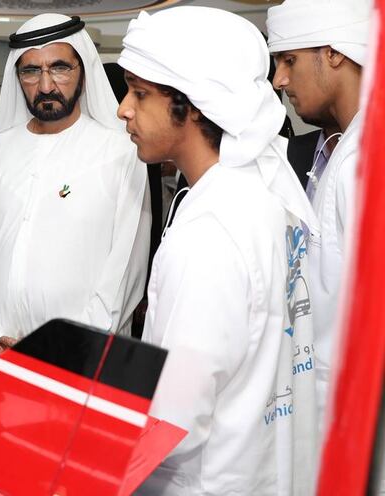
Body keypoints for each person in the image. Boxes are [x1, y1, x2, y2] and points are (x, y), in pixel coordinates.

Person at [118, 6, 319, 494]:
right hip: (262, 463)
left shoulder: (210, 233)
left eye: (140, 94)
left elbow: (173, 420)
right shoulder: (264, 189)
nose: (123, 108)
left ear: (195, 105)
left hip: (207, 478)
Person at [0, 14, 150, 361]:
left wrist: (64, 348)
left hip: (84, 357)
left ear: (83, 71)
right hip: (2, 353)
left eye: (60, 68)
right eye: (31, 71)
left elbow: (125, 271)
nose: (46, 85)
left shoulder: (121, 152)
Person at [267, 0, 370, 429]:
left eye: (289, 60)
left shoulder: (368, 158)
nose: (279, 80)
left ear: (334, 53)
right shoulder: (337, 148)